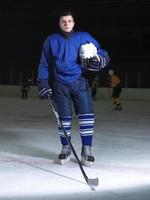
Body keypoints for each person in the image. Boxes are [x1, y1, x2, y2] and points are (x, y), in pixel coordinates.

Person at [37, 10, 110, 166]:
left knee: (86, 116)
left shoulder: (83, 37)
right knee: (63, 119)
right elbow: (44, 64)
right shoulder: (51, 40)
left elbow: (102, 53)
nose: (66, 23)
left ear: (73, 23)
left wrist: (101, 60)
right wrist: (43, 82)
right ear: (59, 23)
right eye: (63, 21)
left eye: (69, 21)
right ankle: (66, 148)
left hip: (79, 82)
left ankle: (86, 150)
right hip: (59, 84)